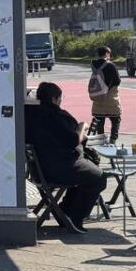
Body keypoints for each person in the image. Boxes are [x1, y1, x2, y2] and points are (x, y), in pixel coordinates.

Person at [25, 81, 107, 231]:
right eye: (60, 99)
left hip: (41, 168)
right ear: (55, 99)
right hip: (59, 165)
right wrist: (82, 127)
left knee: (87, 173)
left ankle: (65, 209)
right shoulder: (53, 116)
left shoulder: (31, 114)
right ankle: (75, 216)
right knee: (99, 178)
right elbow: (72, 140)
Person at [86, 46, 122, 143]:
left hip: (98, 97)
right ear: (106, 53)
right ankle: (113, 140)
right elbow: (118, 81)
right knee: (116, 119)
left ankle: (101, 140)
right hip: (111, 97)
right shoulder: (111, 66)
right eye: (109, 53)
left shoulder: (94, 65)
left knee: (99, 120)